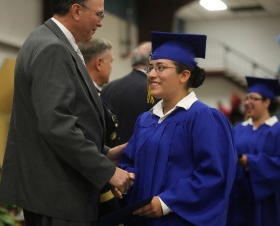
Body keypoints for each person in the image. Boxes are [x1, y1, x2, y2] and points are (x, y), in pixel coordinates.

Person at [0, 1, 133, 226]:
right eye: (99, 15)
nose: (100, 23)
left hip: (53, 190)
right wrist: (107, 171)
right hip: (58, 194)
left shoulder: (46, 39)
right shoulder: (54, 48)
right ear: (76, 10)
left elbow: (70, 117)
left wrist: (105, 153)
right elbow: (57, 125)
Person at [118, 31, 237, 226]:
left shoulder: (204, 118)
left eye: (161, 68)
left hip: (178, 220)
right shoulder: (146, 119)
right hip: (140, 219)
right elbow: (129, 161)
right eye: (151, 68)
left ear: (184, 75)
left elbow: (213, 174)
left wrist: (166, 202)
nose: (152, 75)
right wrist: (126, 177)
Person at [226, 76, 280, 226]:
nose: (248, 103)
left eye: (254, 98)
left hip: (267, 199)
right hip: (237, 197)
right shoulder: (238, 129)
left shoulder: (279, 131)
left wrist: (250, 162)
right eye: (247, 98)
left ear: (267, 102)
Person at [78, 37, 121, 218]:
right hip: (85, 185)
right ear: (99, 62)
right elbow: (81, 142)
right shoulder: (83, 94)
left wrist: (108, 152)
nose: (112, 66)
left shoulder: (94, 93)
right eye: (111, 61)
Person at [101, 41, 156, 147]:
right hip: (138, 152)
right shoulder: (153, 89)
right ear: (152, 61)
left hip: (109, 153)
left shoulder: (109, 87)